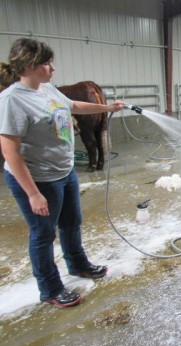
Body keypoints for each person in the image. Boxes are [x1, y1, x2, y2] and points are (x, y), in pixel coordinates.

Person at [0, 38, 126, 308]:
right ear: (29, 65)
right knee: (43, 234)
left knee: (72, 222)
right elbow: (10, 152)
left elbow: (74, 107)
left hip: (64, 171)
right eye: (46, 63)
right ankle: (50, 289)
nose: (52, 68)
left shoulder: (47, 89)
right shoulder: (12, 100)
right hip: (38, 179)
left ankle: (78, 265)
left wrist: (108, 108)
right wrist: (33, 194)